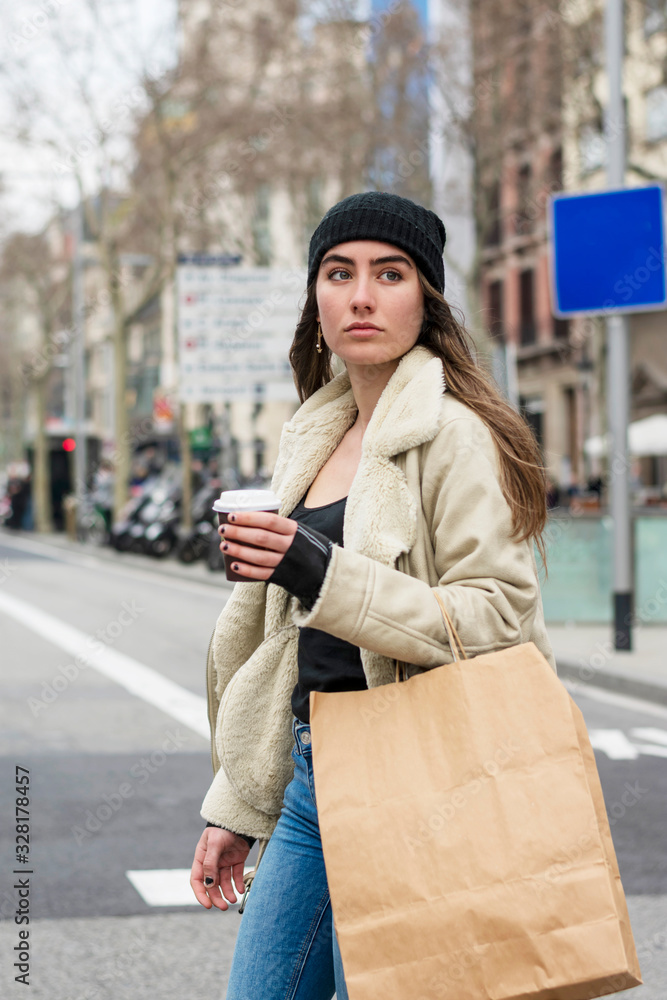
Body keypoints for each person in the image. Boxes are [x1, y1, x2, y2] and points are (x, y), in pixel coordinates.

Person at [189, 191, 555, 999]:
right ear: (314, 299)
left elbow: (496, 613)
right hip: (316, 778)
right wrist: (235, 808)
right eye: (337, 272)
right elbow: (292, 653)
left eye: (388, 274)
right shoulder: (313, 436)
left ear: (424, 300)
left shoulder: (455, 433)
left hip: (425, 779)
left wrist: (321, 570)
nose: (360, 295)